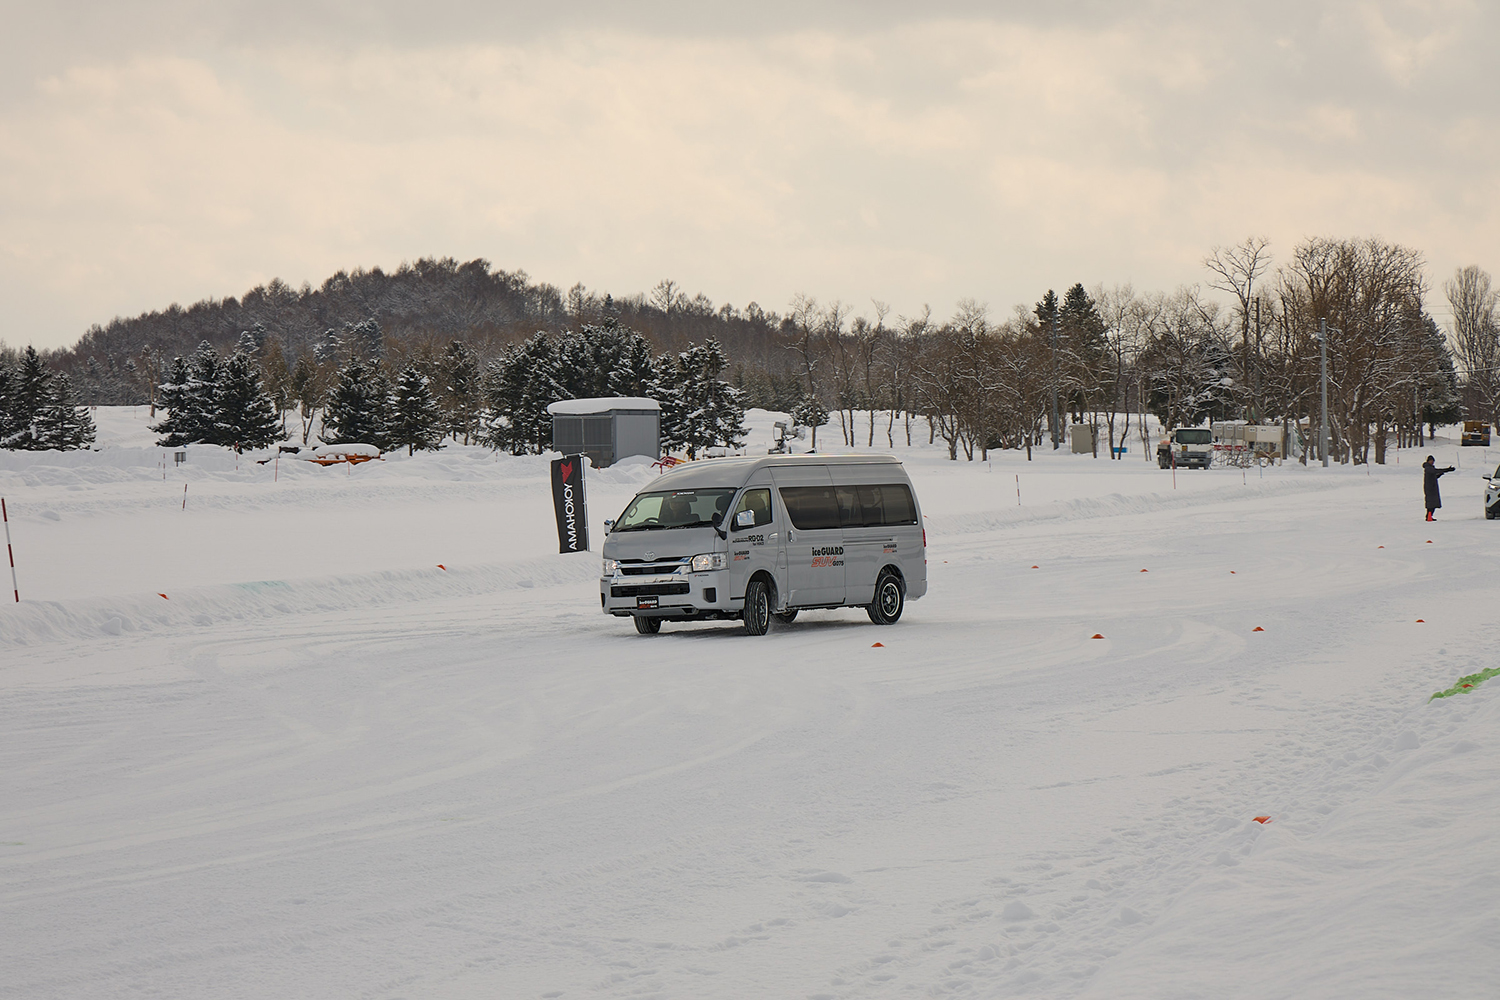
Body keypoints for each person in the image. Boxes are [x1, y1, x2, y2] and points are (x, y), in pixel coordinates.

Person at [1423, 455, 1455, 521]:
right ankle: (1428, 516)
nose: (1432, 462)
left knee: (1433, 503)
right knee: (1431, 503)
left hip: (1432, 488)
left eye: (1433, 461)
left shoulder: (1430, 468)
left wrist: (1441, 473)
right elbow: (1435, 471)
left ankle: (1429, 516)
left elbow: (1434, 475)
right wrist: (1447, 470)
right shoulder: (1428, 468)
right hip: (1430, 489)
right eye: (1431, 461)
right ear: (1428, 461)